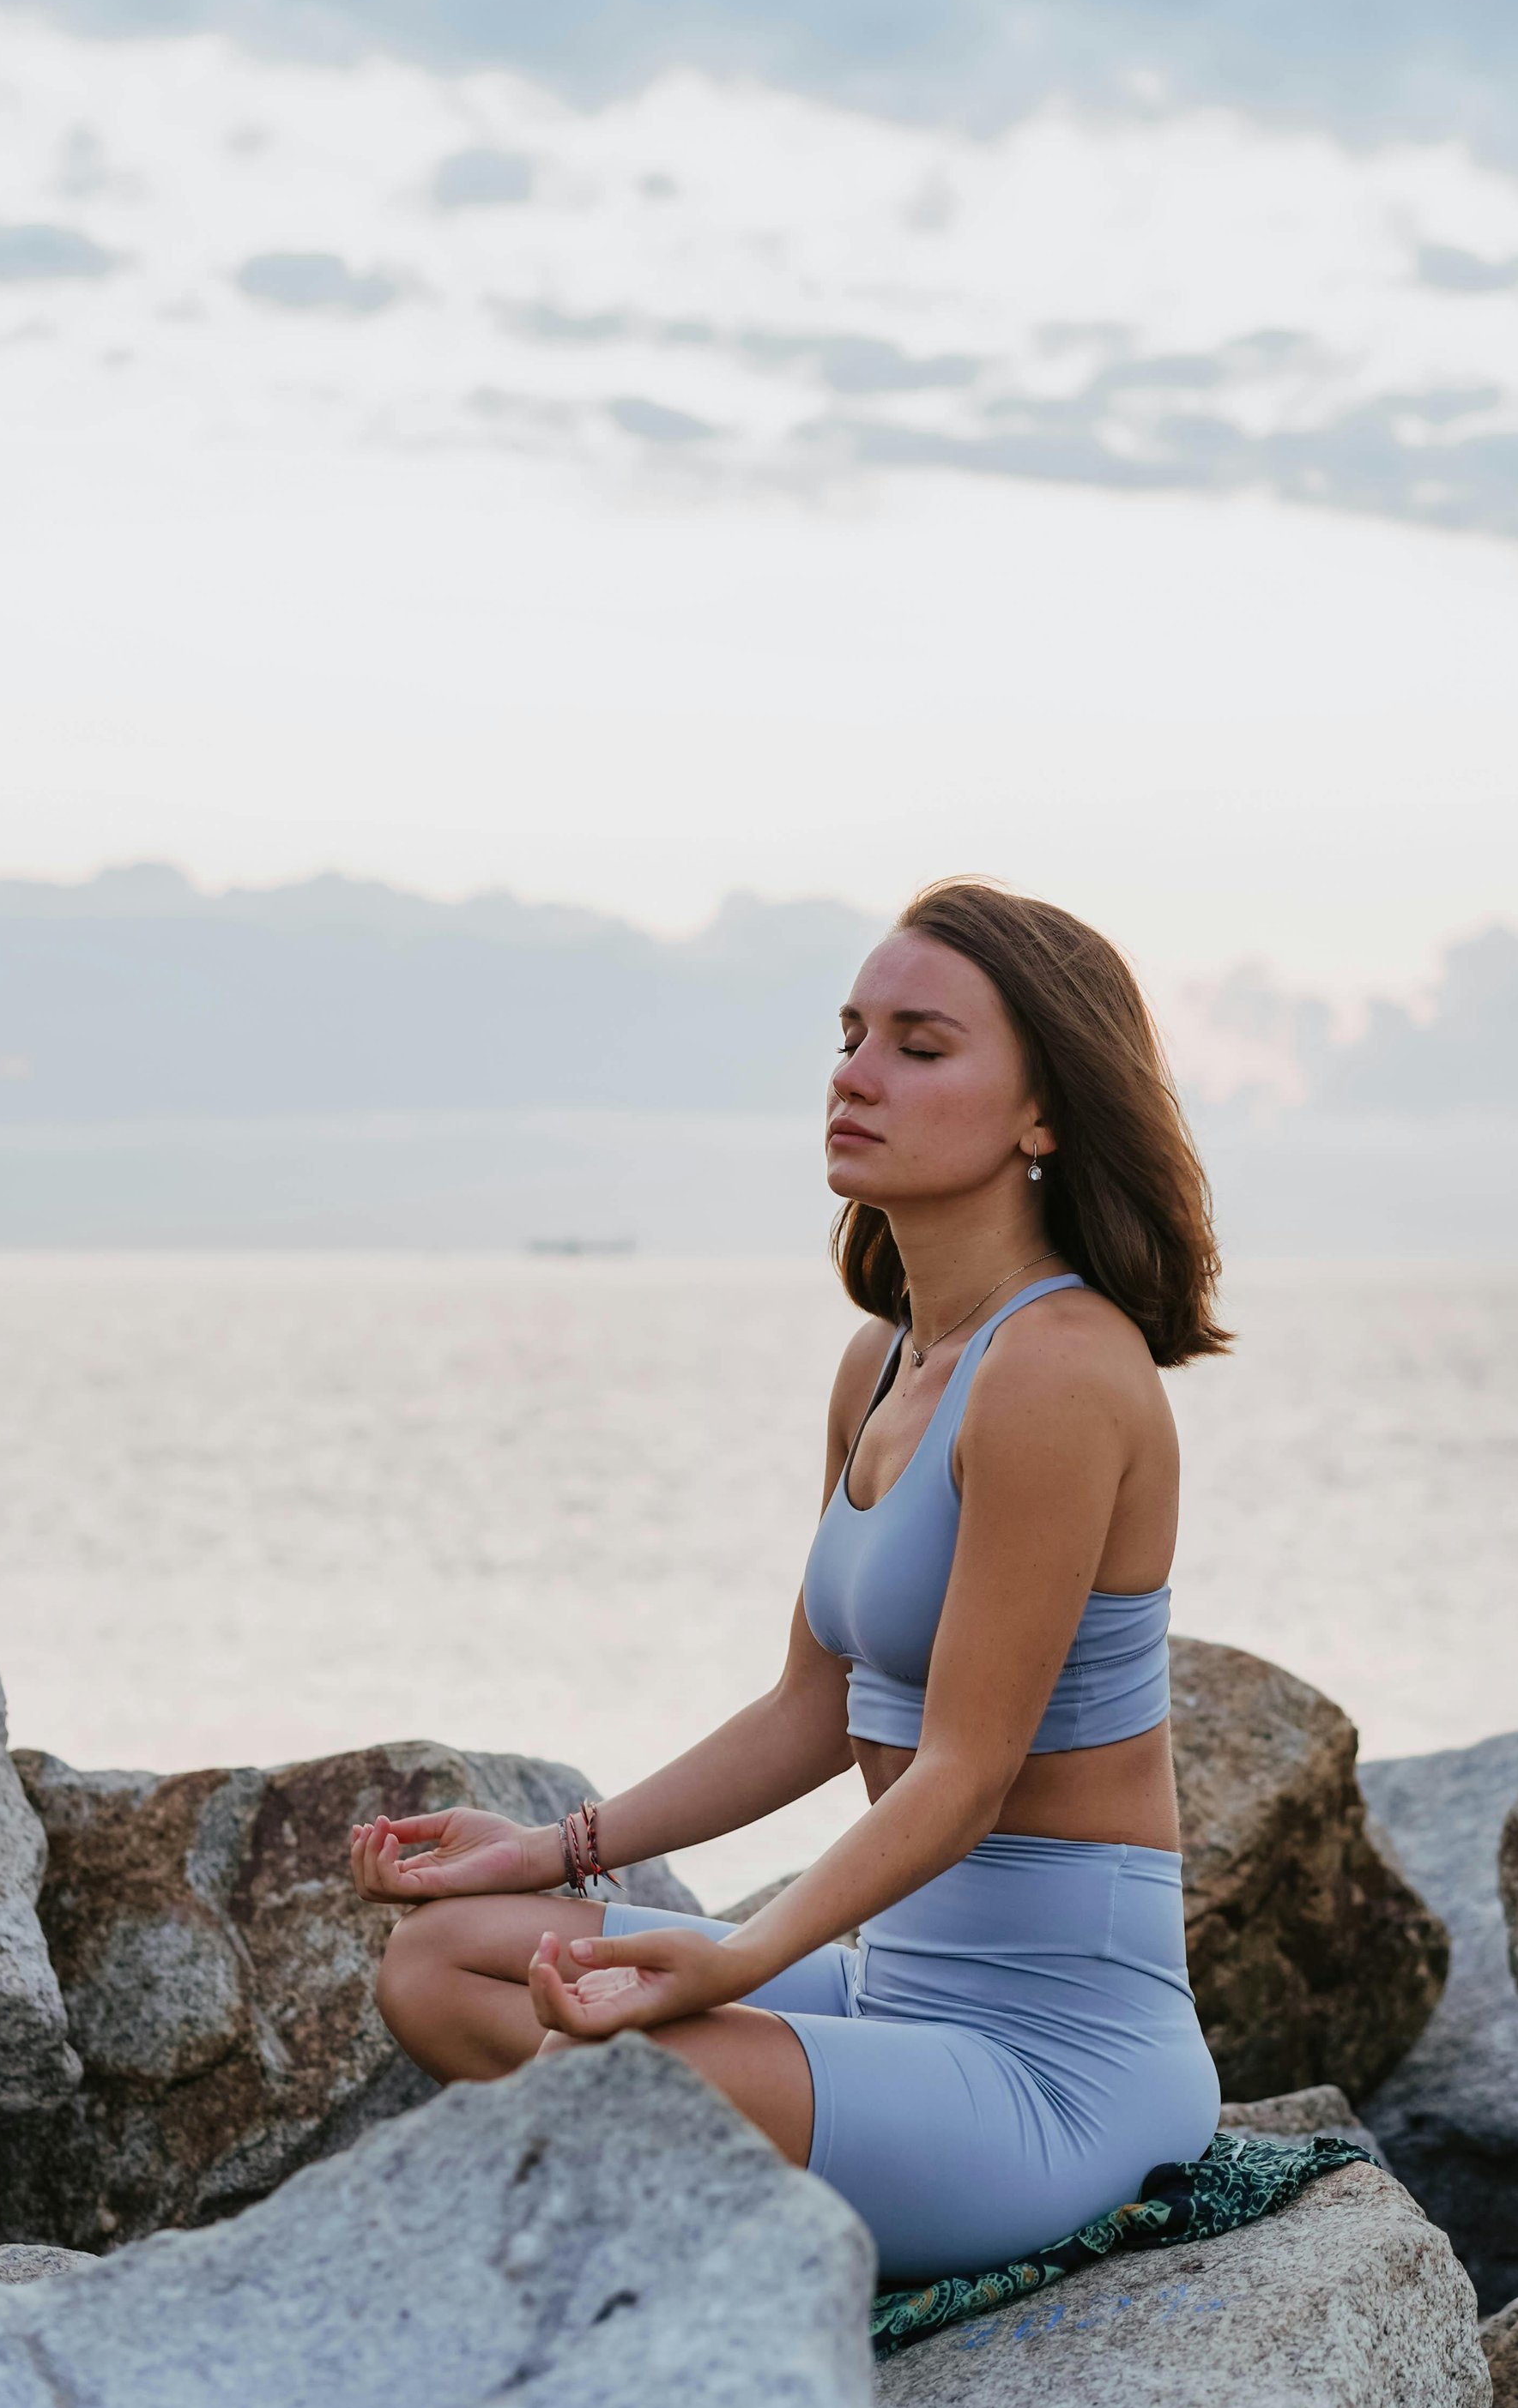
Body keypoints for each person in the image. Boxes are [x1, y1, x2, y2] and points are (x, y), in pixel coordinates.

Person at [350, 878, 1230, 2283]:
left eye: (919, 1046)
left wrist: (736, 1957)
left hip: (1052, 2065)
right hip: (890, 1993)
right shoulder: (879, 1364)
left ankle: (719, 2267)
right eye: (850, 1034)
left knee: (614, 2054)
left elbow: (964, 1775)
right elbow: (810, 1710)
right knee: (443, 1958)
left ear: (1045, 1113)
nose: (855, 1075)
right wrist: (546, 1850)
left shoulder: (1061, 1372)